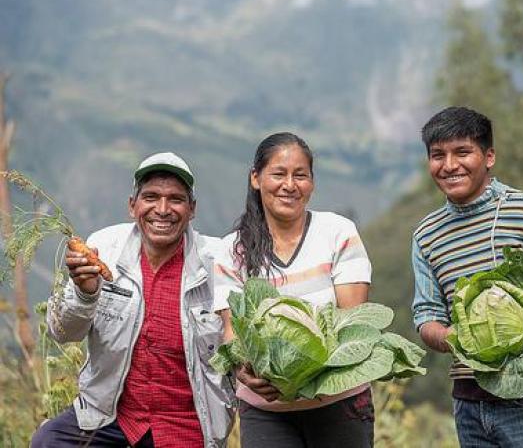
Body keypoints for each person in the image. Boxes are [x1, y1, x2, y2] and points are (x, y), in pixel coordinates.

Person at [31, 152, 234, 447]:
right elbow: (61, 332)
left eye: (175, 199)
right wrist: (85, 293)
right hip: (111, 417)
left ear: (192, 209)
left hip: (187, 425)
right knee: (48, 442)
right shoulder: (103, 248)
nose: (162, 210)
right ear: (132, 206)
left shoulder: (216, 263)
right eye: (150, 197)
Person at [410, 106, 523, 447]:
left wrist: (510, 342)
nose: (449, 165)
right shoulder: (426, 235)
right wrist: (455, 337)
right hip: (468, 405)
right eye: (437, 155)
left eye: (462, 152)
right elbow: (427, 314)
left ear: (489, 157)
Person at [214, 132, 374, 448]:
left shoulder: (338, 233)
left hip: (338, 403)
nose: (290, 185)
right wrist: (244, 370)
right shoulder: (232, 250)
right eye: (279, 174)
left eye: (300, 175)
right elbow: (233, 333)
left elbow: (353, 323)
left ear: (312, 184)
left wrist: (307, 371)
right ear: (256, 179)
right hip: (267, 411)